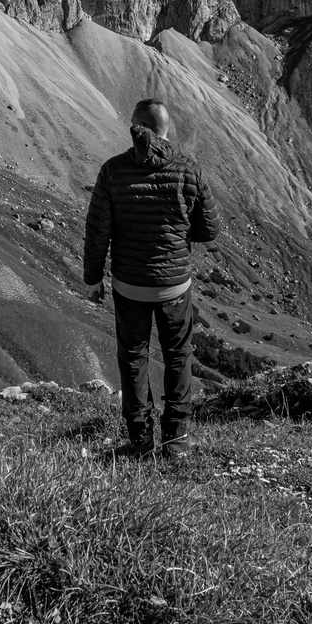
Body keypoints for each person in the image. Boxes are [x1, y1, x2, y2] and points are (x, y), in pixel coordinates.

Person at [83, 99, 220, 458]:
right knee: (178, 355)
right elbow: (210, 230)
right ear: (166, 129)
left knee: (133, 357)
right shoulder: (188, 169)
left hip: (129, 285)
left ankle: (140, 439)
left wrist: (93, 279)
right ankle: (176, 438)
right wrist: (180, 232)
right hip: (174, 284)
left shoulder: (112, 171)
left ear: (133, 127)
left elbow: (98, 231)